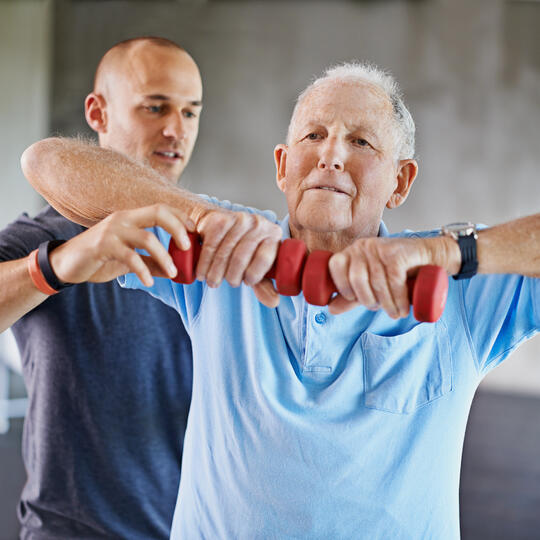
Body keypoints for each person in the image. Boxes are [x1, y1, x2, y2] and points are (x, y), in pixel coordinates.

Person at [23, 62, 539, 538]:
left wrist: (450, 251)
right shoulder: (221, 248)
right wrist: (199, 216)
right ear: (283, 165)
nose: (331, 155)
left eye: (360, 141)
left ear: (400, 181)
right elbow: (46, 161)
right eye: (314, 136)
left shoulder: (463, 283)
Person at [0, 36, 202, 539]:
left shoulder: (207, 245)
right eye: (155, 107)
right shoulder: (45, 236)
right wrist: (63, 263)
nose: (175, 129)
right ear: (98, 113)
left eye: (191, 112)